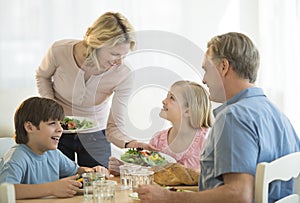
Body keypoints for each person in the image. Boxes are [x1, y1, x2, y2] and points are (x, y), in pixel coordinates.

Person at [135, 32, 300, 203]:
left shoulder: (233, 116)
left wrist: (170, 198)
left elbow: (238, 195)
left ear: (223, 67)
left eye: (206, 69)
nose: (204, 80)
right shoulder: (277, 114)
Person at [35, 12, 157, 169]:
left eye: (124, 55)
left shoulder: (124, 73)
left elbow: (114, 125)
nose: (119, 61)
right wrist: (51, 110)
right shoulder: (59, 50)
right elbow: (42, 76)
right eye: (114, 54)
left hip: (96, 133)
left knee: (99, 180)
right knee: (58, 179)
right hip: (57, 129)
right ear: (96, 44)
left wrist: (130, 143)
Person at [0, 97, 110, 199]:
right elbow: (5, 190)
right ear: (29, 127)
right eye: (52, 123)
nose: (60, 129)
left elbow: (78, 171)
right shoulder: (18, 157)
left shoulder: (53, 154)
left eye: (60, 124)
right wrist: (51, 189)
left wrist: (93, 171)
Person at [109, 80, 213, 175]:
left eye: (172, 98)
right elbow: (146, 171)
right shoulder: (158, 140)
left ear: (188, 111)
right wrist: (124, 168)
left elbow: (214, 175)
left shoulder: (208, 140)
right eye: (167, 96)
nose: (164, 101)